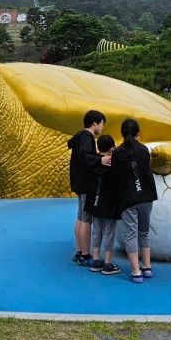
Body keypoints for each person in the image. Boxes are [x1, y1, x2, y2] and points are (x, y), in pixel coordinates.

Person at [112, 118, 158, 283]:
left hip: (128, 199)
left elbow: (116, 177)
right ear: (138, 132)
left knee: (130, 235)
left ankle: (136, 271)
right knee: (144, 233)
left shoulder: (118, 153)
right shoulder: (144, 150)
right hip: (146, 197)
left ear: (122, 134)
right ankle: (147, 267)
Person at [67, 110, 111, 266]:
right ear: (95, 123)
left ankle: (79, 251)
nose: (102, 127)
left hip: (78, 182)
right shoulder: (87, 137)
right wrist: (101, 160)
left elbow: (83, 156)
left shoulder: (80, 136)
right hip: (85, 183)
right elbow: (85, 157)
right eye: (102, 123)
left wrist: (98, 158)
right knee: (86, 218)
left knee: (80, 216)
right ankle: (86, 254)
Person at [86, 134, 121, 275]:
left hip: (95, 202)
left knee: (96, 231)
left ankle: (95, 259)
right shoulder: (113, 164)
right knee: (109, 233)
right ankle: (107, 263)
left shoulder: (93, 162)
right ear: (111, 147)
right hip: (110, 204)